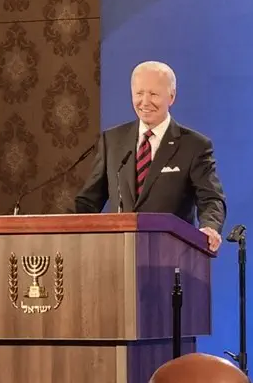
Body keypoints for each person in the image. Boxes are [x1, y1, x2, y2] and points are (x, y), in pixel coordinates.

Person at [73, 60, 226, 252]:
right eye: (139, 93)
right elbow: (89, 200)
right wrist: (62, 229)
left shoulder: (194, 145)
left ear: (171, 97)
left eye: (153, 94)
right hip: (120, 254)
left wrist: (209, 227)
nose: (145, 102)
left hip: (172, 255)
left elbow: (211, 198)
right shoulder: (112, 140)